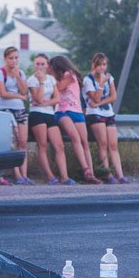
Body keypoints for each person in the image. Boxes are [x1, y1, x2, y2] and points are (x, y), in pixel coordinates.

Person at [49, 55, 101, 184]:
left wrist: (50, 77)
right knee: (75, 137)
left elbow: (60, 88)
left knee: (84, 142)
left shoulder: (68, 74)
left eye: (51, 67)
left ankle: (91, 174)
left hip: (76, 111)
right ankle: (86, 170)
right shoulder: (56, 78)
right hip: (62, 111)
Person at [83, 53, 131, 184]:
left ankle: (120, 175)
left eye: (104, 64)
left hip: (107, 112)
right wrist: (101, 84)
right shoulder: (88, 80)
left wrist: (99, 103)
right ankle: (107, 173)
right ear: (94, 65)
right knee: (102, 144)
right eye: (99, 65)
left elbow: (113, 96)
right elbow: (95, 97)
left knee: (113, 145)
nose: (102, 67)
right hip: (94, 114)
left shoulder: (109, 78)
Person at [0, 47, 32, 184]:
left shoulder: (20, 73)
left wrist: (17, 76)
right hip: (6, 108)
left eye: (16, 58)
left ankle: (24, 174)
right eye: (11, 58)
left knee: (23, 141)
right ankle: (17, 175)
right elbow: (3, 93)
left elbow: (24, 91)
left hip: (20, 109)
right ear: (5, 59)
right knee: (12, 142)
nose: (14, 61)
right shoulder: (0, 73)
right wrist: (18, 96)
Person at [26, 53, 65, 183]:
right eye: (37, 64)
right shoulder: (32, 80)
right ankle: (50, 177)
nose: (40, 66)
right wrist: (41, 82)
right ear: (34, 65)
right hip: (37, 114)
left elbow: (57, 98)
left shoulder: (51, 79)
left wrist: (46, 103)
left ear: (47, 65)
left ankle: (65, 177)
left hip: (49, 113)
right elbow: (37, 98)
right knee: (42, 145)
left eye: (43, 64)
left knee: (59, 146)